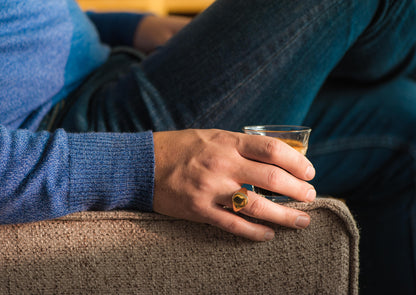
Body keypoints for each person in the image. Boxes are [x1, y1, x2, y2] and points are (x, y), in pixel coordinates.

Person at [1, 0, 416, 293]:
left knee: (402, 118)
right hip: (84, 128)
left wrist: (132, 27)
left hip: (110, 73)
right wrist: (144, 165)